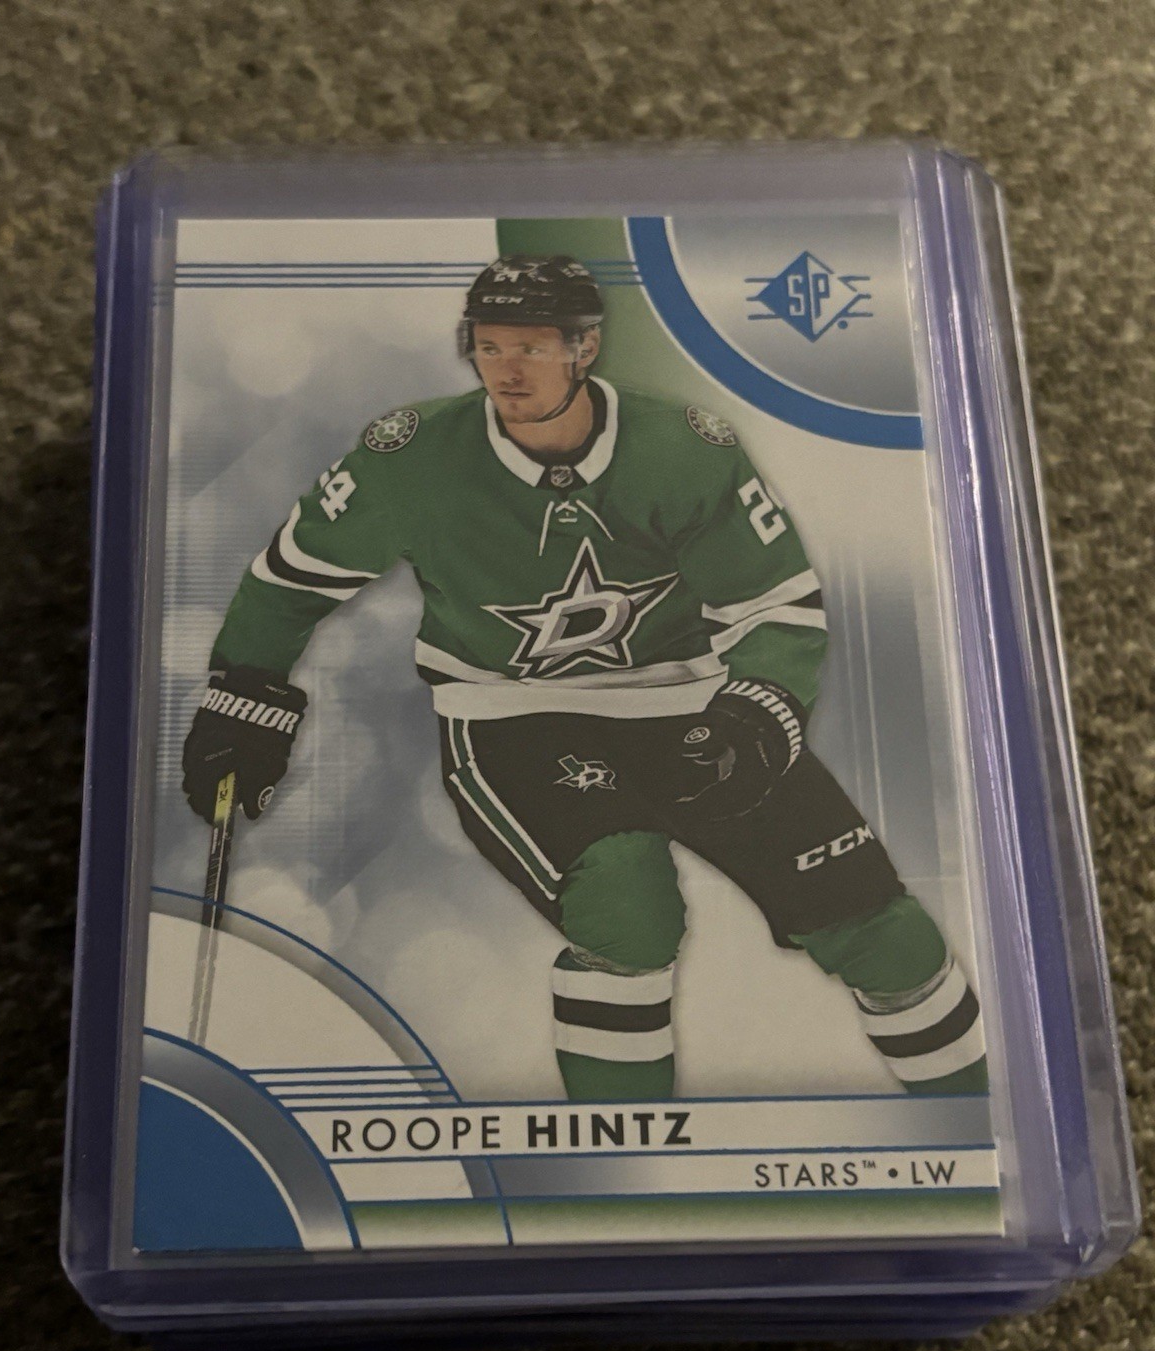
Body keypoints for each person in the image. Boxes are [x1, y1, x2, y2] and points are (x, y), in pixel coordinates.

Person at [182, 254, 988, 1103]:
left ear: (585, 348)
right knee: (627, 911)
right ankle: (623, 1150)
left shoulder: (681, 446)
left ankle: (980, 1129)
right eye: (489, 346)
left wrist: (755, 714)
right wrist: (245, 698)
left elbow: (774, 605)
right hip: (515, 717)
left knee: (887, 934)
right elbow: (291, 580)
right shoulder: (411, 458)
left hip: (692, 707)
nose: (507, 370)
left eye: (531, 347)